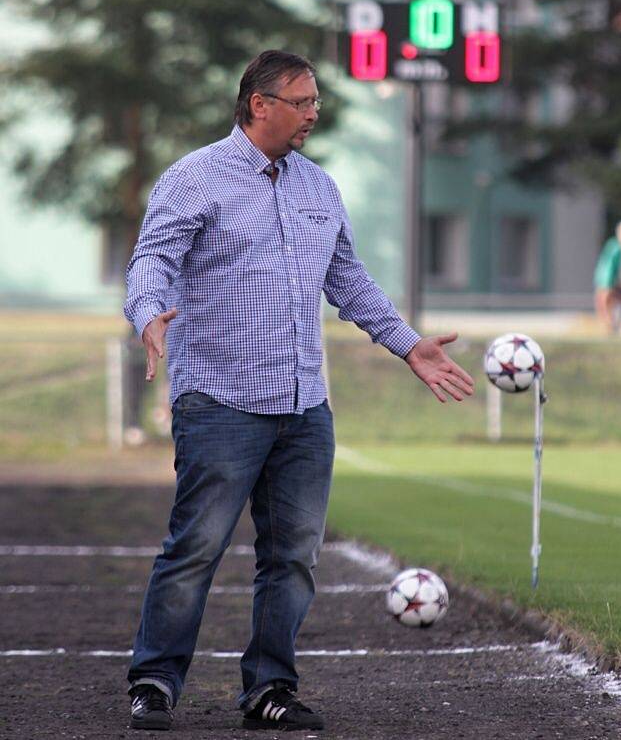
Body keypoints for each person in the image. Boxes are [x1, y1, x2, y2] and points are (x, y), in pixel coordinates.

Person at [123, 49, 474, 733]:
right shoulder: (195, 178)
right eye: (303, 100)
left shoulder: (319, 188)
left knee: (292, 557)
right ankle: (155, 680)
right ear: (260, 104)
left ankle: (269, 690)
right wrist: (148, 314)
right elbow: (152, 260)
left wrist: (408, 343)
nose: (315, 112)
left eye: (316, 101)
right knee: (196, 547)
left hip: (305, 405)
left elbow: (348, 279)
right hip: (220, 399)